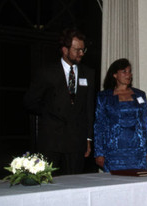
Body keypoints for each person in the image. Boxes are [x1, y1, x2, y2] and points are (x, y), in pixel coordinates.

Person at [24, 28, 95, 175]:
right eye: (77, 50)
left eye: (83, 50)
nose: (81, 53)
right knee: (49, 183)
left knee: (75, 185)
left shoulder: (88, 73)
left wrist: (88, 138)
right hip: (51, 140)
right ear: (65, 49)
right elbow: (30, 101)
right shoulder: (47, 72)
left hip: (76, 140)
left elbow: (89, 108)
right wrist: (50, 111)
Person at [94, 58, 147, 172]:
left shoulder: (140, 95)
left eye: (129, 71)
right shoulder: (104, 97)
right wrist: (99, 152)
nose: (128, 75)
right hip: (113, 152)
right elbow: (99, 125)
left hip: (137, 151)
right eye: (124, 72)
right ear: (115, 75)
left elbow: (146, 124)